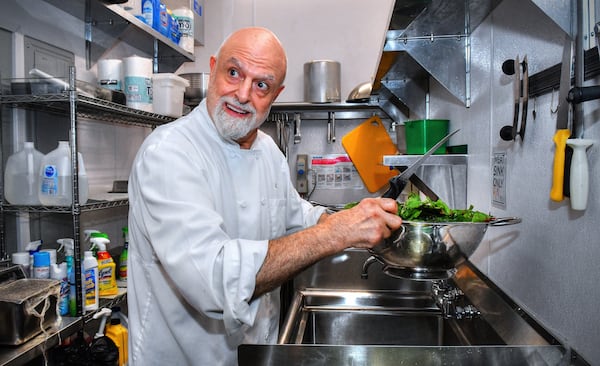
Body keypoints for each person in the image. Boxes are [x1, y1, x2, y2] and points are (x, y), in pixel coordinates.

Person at [127, 26, 403, 365]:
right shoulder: (169, 152)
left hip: (255, 349)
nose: (242, 94)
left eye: (261, 85)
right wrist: (336, 232)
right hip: (185, 356)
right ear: (213, 68)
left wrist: (342, 220)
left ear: (276, 94)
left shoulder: (267, 149)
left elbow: (292, 215)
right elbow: (213, 281)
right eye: (233, 73)